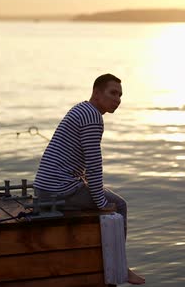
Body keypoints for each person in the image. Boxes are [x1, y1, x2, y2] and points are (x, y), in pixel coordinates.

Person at [34, 73, 145, 285]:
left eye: (120, 95)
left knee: (102, 193)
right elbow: (94, 165)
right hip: (59, 190)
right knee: (119, 205)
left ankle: (105, 259)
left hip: (46, 187)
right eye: (113, 93)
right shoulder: (93, 117)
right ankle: (121, 269)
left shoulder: (81, 109)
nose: (118, 99)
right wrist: (102, 203)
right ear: (96, 92)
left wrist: (94, 191)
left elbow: (84, 166)